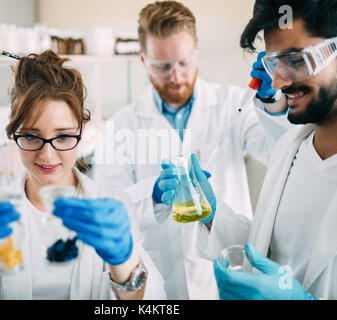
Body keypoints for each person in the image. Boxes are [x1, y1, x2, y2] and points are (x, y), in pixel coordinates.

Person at [0, 50, 166, 300]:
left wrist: (125, 261)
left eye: (64, 136)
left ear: (82, 130)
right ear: (13, 132)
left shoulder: (113, 207)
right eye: (32, 136)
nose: (47, 155)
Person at [159, 0, 337, 299]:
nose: (278, 81)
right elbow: (274, 254)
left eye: (295, 59)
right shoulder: (293, 148)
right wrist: (213, 216)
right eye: (273, 62)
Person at [93, 1, 290, 299]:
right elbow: (108, 206)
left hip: (228, 273)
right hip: (159, 283)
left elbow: (284, 155)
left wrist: (273, 103)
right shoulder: (122, 124)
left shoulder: (232, 104)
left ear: (196, 52)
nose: (175, 76)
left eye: (184, 62)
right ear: (143, 59)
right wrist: (153, 194)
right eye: (162, 66)